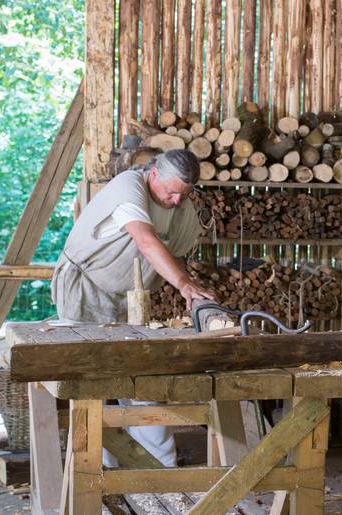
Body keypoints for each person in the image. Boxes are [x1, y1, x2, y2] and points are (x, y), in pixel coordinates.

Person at [51, 149, 215, 467]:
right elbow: (146, 241)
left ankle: (160, 468)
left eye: (183, 194)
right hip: (84, 287)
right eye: (170, 191)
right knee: (92, 383)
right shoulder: (128, 186)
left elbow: (177, 257)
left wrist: (190, 288)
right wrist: (183, 284)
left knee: (140, 380)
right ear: (154, 174)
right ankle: (98, 471)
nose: (176, 200)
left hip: (131, 298)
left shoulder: (184, 211)